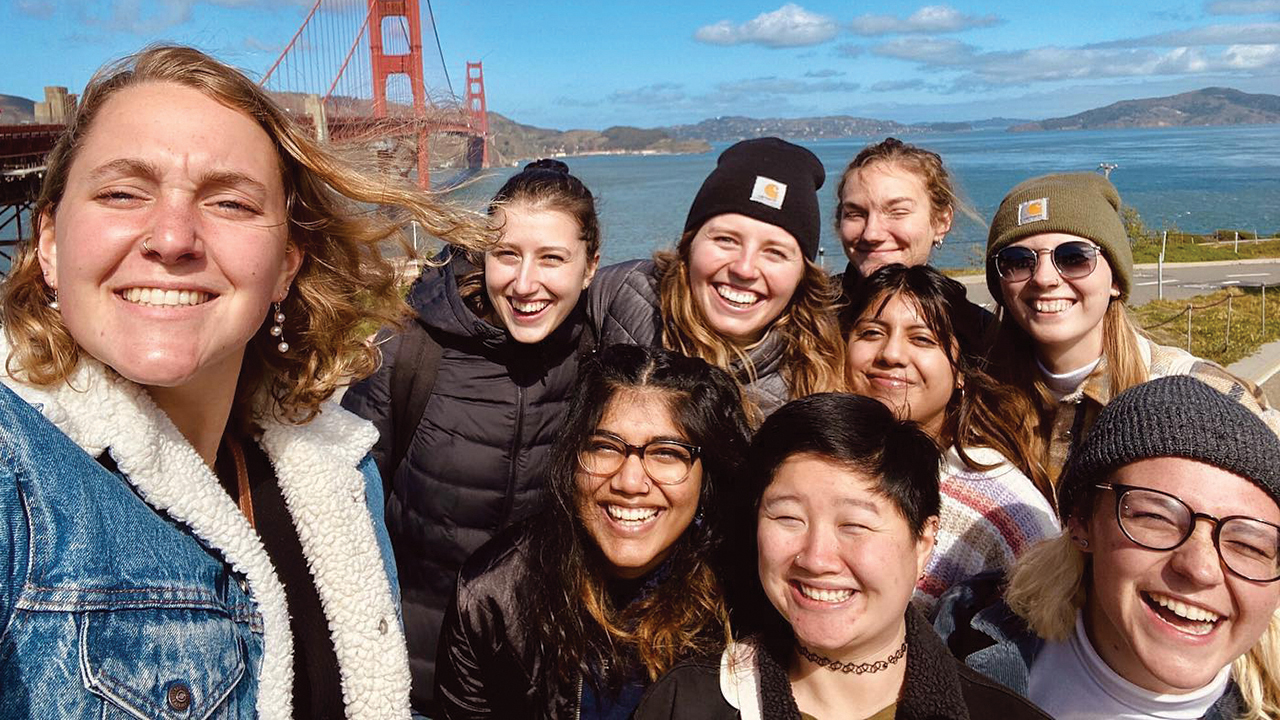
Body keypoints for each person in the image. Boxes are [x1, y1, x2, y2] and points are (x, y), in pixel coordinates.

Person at [0, 45, 489, 719]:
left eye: (229, 202)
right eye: (121, 192)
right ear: (49, 242)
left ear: (286, 265)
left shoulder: (340, 471)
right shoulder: (13, 472)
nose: (172, 238)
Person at [341, 158, 600, 713]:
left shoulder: (599, 360)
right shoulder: (408, 350)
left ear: (590, 268)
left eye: (552, 258)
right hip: (414, 678)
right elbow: (344, 520)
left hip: (544, 679)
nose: (526, 283)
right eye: (508, 254)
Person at [633, 393, 1051, 720]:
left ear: (923, 542)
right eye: (788, 518)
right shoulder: (687, 701)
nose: (816, 558)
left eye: (854, 525)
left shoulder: (1002, 713)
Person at [434, 344, 751, 718]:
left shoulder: (745, 599)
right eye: (605, 447)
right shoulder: (491, 595)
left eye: (667, 452)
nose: (630, 481)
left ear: (707, 477)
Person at [935, 376, 1280, 720]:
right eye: (1155, 517)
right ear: (1082, 519)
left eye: (1249, 545)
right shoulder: (963, 633)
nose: (1200, 568)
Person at [984, 172, 1274, 483]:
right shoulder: (975, 398)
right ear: (1000, 285)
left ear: (1117, 281)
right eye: (1017, 261)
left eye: (1073, 257)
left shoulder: (1203, 395)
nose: (1044, 278)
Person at [842, 264, 1058, 613]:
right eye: (870, 333)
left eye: (922, 339)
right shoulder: (812, 465)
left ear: (960, 371)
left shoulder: (1003, 507)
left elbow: (1048, 630)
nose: (891, 355)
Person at [589, 137, 844, 419]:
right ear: (688, 245)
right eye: (726, 240)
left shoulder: (816, 384)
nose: (744, 269)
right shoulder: (620, 292)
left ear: (802, 276)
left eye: (774, 252)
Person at [833, 137, 990, 349]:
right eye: (855, 214)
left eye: (897, 212)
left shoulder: (977, 332)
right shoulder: (807, 318)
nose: (871, 233)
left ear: (942, 221)